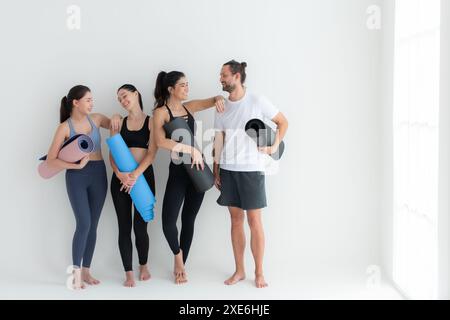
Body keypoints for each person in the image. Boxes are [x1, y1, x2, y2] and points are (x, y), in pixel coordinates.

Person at [213, 60, 289, 288]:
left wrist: (274, 146)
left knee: (254, 221)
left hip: (252, 170)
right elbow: (219, 138)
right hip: (228, 170)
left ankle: (259, 273)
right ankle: (239, 271)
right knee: (235, 221)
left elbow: (282, 122)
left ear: (237, 76)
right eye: (220, 75)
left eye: (224, 75)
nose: (221, 79)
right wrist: (216, 169)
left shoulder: (257, 100)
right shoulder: (222, 107)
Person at [152, 70, 224, 284]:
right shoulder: (161, 112)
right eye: (183, 85)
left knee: (189, 220)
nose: (187, 88)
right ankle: (177, 257)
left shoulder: (189, 107)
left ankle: (182, 265)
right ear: (170, 89)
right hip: (178, 172)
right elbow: (159, 141)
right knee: (168, 222)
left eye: (187, 84)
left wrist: (219, 98)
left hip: (198, 171)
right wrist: (190, 149)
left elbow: (212, 100)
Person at [45, 85, 121, 290]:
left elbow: (115, 124)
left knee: (93, 224)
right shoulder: (64, 127)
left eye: (92, 99)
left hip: (98, 174)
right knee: (83, 223)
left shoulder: (95, 119)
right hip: (76, 176)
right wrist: (75, 165)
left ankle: (86, 271)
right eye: (88, 100)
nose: (92, 103)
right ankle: (75, 273)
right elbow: (50, 160)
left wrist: (114, 115)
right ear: (75, 102)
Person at [109, 84, 158, 287]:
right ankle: (128, 272)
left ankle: (143, 265)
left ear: (136, 94)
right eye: (119, 99)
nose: (122, 100)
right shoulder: (118, 123)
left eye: (125, 95)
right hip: (120, 181)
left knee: (140, 227)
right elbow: (112, 153)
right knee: (124, 227)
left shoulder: (151, 121)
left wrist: (135, 175)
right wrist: (120, 174)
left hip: (143, 178)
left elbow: (152, 152)